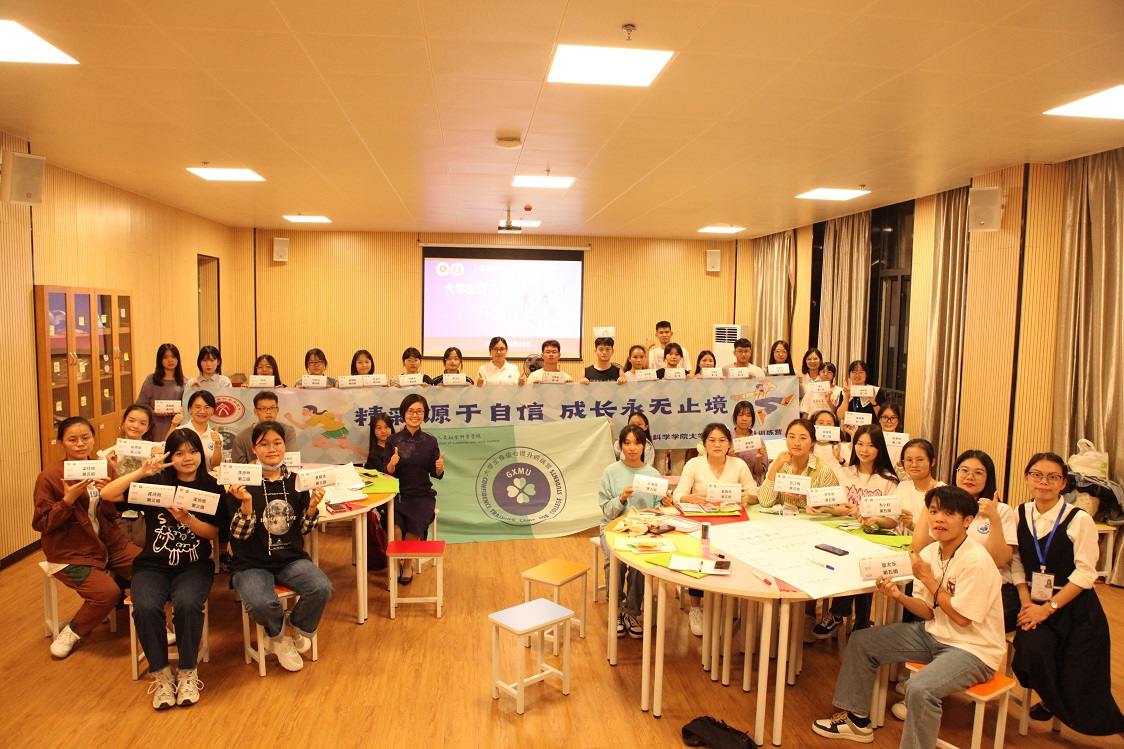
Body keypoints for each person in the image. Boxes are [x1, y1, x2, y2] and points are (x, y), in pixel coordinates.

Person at [810, 486, 1006, 747]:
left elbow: (962, 618)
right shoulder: (930, 553)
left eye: (949, 514)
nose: (938, 519)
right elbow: (928, 610)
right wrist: (898, 596)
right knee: (862, 641)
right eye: (934, 512)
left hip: (973, 650)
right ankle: (856, 721)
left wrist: (928, 579)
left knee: (920, 689)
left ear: (967, 521)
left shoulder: (976, 560)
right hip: (935, 634)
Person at [100, 430, 226, 709]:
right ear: (169, 456)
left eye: (193, 451)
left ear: (201, 453)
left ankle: (188, 671)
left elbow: (212, 534)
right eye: (179, 453)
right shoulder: (155, 483)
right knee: (144, 607)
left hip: (193, 565)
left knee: (188, 604)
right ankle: (162, 675)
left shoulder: (212, 487)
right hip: (152, 565)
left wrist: (188, 520)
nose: (187, 458)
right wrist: (142, 471)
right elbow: (108, 494)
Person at [1011, 452, 1124, 735]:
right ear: (1027, 478)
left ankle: (1109, 724)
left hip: (1075, 608)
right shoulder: (1019, 513)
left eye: (1053, 477)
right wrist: (1027, 603)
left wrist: (1046, 608)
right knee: (1031, 652)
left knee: (1080, 675)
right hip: (1033, 602)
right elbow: (1015, 562)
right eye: (1037, 475)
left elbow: (1085, 574)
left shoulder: (1079, 519)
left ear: (1064, 483)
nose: (1043, 482)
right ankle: (1052, 701)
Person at [226, 421, 333, 672]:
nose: (272, 449)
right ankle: (279, 637)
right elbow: (239, 535)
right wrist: (246, 503)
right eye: (264, 444)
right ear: (254, 449)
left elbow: (304, 528)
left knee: (321, 588)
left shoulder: (297, 481)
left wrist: (312, 507)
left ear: (285, 446)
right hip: (250, 563)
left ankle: (293, 630)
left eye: (277, 443)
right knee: (261, 604)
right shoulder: (240, 483)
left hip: (290, 558)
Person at [32, 417, 141, 659]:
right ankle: (72, 631)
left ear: (93, 439)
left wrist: (109, 495)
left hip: (110, 543)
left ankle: (152, 622)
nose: (80, 444)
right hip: (71, 551)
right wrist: (67, 501)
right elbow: (42, 523)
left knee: (149, 569)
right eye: (72, 440)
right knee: (107, 594)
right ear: (61, 443)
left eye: (85, 438)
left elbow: (114, 514)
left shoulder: (104, 468)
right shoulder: (50, 476)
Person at [912, 450, 1019, 633]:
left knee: (953, 624)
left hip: (992, 592)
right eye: (964, 470)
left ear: (988, 478)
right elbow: (919, 547)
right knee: (917, 608)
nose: (970, 477)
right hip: (947, 587)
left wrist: (993, 518)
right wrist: (930, 502)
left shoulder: (1001, 510)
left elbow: (999, 561)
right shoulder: (942, 512)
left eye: (978, 473)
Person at [812, 424, 899, 638]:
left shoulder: (889, 481)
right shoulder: (845, 473)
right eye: (860, 444)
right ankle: (860, 623)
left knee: (863, 560)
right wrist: (824, 508)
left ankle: (838, 613)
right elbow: (839, 507)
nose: (864, 450)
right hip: (845, 532)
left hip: (874, 537)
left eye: (871, 445)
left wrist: (875, 519)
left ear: (880, 448)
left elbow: (892, 521)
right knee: (847, 555)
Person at [673, 422, 758, 635]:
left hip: (733, 524)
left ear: (729, 444)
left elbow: (755, 494)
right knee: (699, 558)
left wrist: (747, 497)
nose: (717, 444)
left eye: (722, 440)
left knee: (734, 560)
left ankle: (728, 603)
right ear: (704, 444)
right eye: (712, 440)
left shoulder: (738, 465)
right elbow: (677, 495)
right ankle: (696, 608)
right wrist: (692, 497)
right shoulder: (694, 464)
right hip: (702, 524)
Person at [599, 424, 664, 639]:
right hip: (614, 527)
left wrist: (665, 504)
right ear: (621, 446)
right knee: (614, 562)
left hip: (643, 530)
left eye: (637, 443)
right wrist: (622, 498)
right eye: (627, 443)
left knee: (639, 565)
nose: (632, 448)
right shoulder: (611, 471)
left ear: (644, 446)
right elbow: (607, 511)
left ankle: (631, 612)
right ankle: (616, 609)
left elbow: (659, 510)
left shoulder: (653, 474)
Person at [385, 394, 444, 585]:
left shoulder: (430, 441)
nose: (414, 415)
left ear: (425, 414)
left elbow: (435, 473)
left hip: (422, 496)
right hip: (398, 495)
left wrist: (439, 468)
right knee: (395, 527)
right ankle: (396, 564)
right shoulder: (392, 440)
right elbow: (387, 473)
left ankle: (407, 565)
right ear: (403, 413)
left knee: (414, 524)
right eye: (410, 411)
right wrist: (392, 463)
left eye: (419, 411)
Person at [757, 418, 840, 510]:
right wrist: (775, 468)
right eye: (792, 437)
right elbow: (765, 502)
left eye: (803, 438)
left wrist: (809, 498)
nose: (796, 443)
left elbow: (834, 506)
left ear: (812, 442)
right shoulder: (779, 463)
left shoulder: (823, 470)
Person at [891, 439, 944, 536]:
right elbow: (891, 520)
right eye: (909, 460)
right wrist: (872, 518)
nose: (914, 465)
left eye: (920, 460)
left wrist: (912, 526)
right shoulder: (903, 487)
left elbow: (941, 534)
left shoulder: (943, 491)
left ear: (932, 462)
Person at [230, 391, 297, 464]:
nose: (268, 412)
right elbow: (238, 467)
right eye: (263, 408)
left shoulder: (287, 431)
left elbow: (291, 460)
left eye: (272, 408)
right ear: (255, 411)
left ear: (277, 410)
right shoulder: (242, 437)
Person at [137, 343, 186, 439]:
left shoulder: (186, 382)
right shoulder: (151, 380)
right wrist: (153, 412)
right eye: (165, 357)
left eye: (173, 356)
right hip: (154, 426)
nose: (170, 360)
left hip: (177, 427)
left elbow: (189, 407)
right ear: (160, 360)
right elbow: (141, 405)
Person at [169, 390, 224, 469]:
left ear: (213, 411)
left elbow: (215, 465)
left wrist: (218, 445)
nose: (202, 411)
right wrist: (173, 426)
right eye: (198, 407)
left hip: (207, 476)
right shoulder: (180, 431)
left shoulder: (217, 437)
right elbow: (166, 451)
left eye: (207, 407)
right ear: (190, 409)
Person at [284, 404, 364, 457]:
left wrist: (290, 419)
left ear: (311, 411)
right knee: (316, 444)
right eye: (303, 410)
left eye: (305, 410)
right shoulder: (315, 417)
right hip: (330, 431)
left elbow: (302, 427)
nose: (303, 412)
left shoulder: (316, 417)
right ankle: (344, 448)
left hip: (338, 430)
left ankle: (363, 454)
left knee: (346, 446)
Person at [836, 359, 884, 428]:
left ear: (866, 374)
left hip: (870, 431)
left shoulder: (876, 391)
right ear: (849, 375)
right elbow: (840, 416)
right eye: (854, 372)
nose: (857, 375)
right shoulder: (845, 392)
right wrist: (846, 397)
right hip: (850, 431)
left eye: (861, 372)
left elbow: (882, 416)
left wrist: (874, 402)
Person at [729, 400, 766, 480]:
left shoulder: (758, 441)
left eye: (748, 415)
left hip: (752, 483)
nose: (744, 419)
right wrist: (728, 457)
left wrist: (758, 459)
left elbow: (759, 474)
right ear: (735, 417)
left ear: (752, 418)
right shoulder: (727, 439)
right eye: (740, 415)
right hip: (731, 483)